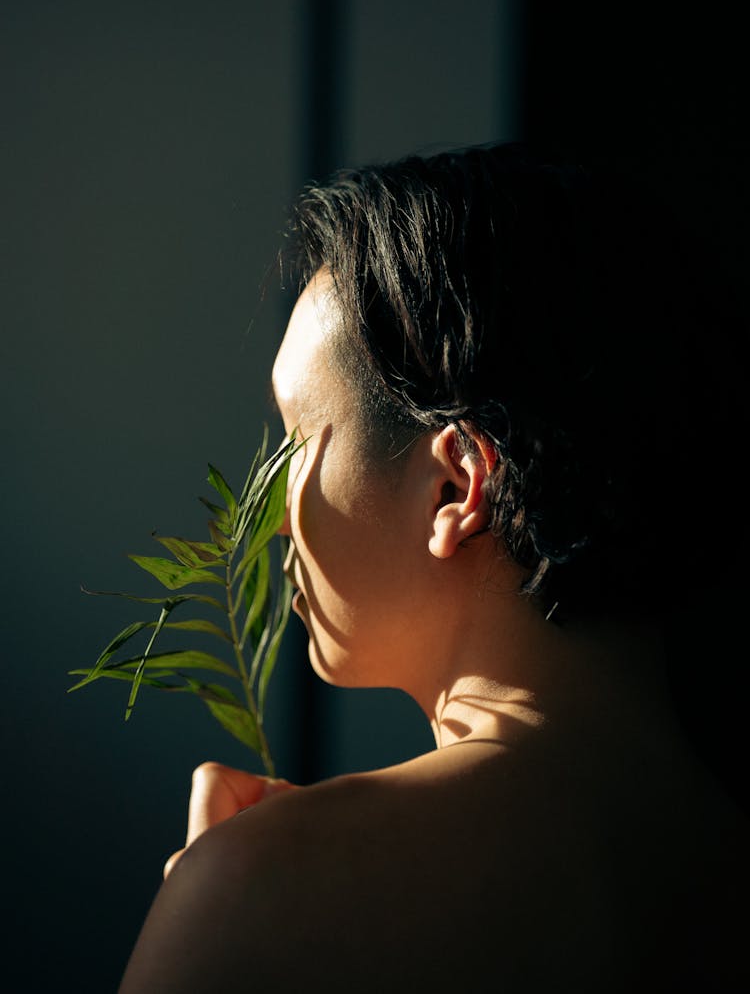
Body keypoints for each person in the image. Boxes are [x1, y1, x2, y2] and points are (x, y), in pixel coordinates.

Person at [118, 143, 749, 992]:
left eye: (297, 441)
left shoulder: (274, 895)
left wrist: (225, 894)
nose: (267, 524)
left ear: (456, 484)